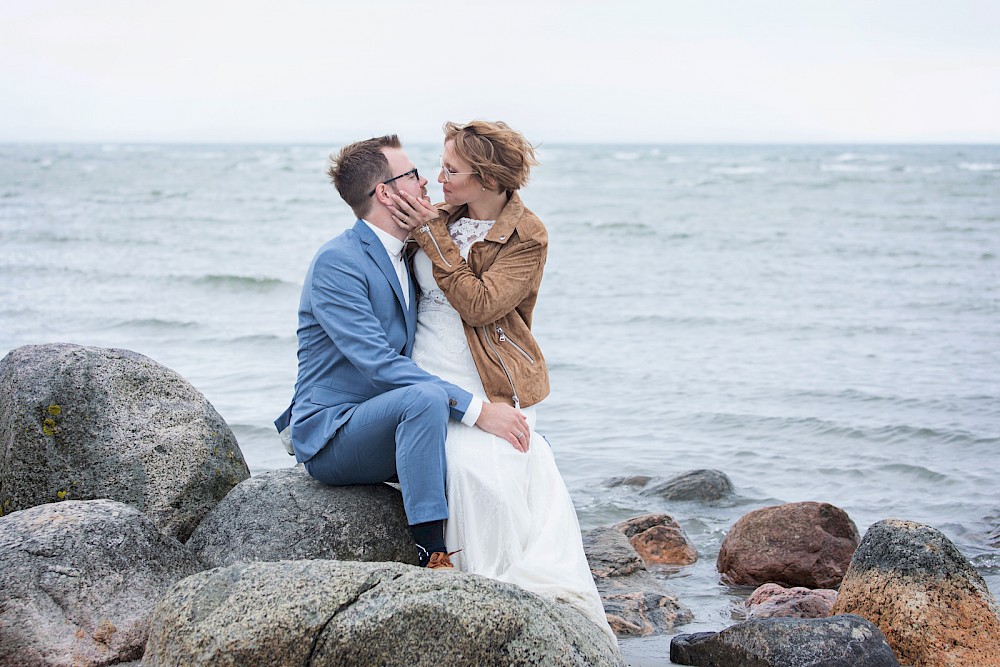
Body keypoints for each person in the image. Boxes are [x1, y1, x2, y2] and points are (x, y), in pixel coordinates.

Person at [388, 120, 617, 641]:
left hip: (491, 378)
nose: (438, 178)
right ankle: (470, 608)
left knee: (496, 470)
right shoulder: (437, 214)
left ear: (488, 180)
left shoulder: (527, 235)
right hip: (427, 372)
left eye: (451, 170)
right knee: (465, 470)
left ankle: (503, 611)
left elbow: (481, 302)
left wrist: (432, 236)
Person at [274, 134, 529, 570]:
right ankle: (431, 553)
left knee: (498, 457)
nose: (426, 180)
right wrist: (477, 410)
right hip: (334, 432)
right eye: (412, 175)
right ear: (386, 193)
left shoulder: (409, 253)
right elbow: (378, 363)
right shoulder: (338, 261)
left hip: (391, 423)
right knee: (427, 399)